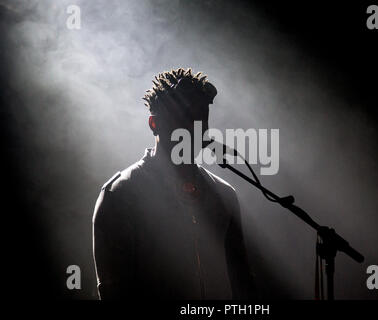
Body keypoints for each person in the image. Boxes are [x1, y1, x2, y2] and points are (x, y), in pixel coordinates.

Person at [92, 68, 256, 300]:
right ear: (154, 124)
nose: (193, 128)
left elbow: (243, 285)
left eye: (201, 119)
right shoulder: (121, 194)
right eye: (182, 118)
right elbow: (114, 291)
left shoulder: (224, 194)